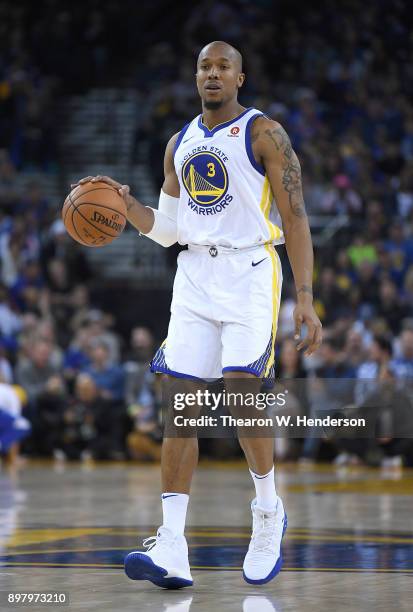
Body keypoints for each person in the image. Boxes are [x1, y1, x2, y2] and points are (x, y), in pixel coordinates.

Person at [74, 41, 322, 588]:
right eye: (204, 67)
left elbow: (297, 217)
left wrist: (304, 296)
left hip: (252, 270)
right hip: (194, 277)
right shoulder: (178, 143)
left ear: (240, 77)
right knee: (180, 403)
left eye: (223, 67)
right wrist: (126, 207)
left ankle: (267, 510)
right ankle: (171, 545)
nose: (213, 74)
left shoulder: (265, 134)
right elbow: (170, 230)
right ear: (196, 78)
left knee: (239, 390)